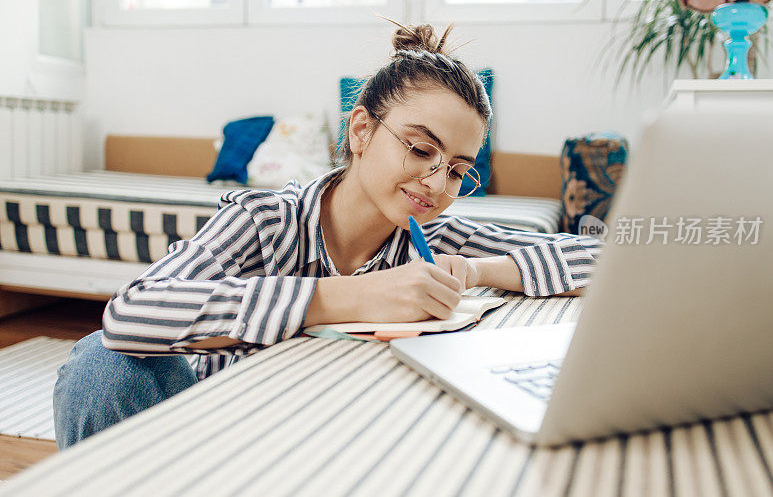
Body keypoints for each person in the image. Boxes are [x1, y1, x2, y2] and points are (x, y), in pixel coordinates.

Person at [53, 22, 603, 449]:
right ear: (361, 130)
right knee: (100, 366)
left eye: (458, 169)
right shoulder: (264, 221)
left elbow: (601, 259)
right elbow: (129, 315)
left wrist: (478, 270)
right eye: (419, 149)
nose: (437, 183)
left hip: (340, 435)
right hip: (222, 427)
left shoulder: (431, 238)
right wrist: (343, 298)